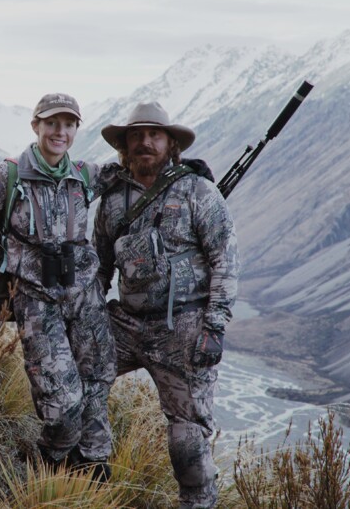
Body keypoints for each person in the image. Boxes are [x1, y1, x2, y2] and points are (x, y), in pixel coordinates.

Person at [0, 93, 118, 479]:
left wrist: (179, 170)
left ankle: (93, 469)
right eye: (51, 123)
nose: (59, 131)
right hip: (35, 301)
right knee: (63, 406)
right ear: (36, 126)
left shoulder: (87, 174)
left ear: (77, 129)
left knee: (97, 387)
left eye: (68, 124)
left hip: (85, 301)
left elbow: (137, 172)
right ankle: (48, 460)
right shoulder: (6, 176)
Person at [92, 102, 239, 508]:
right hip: (125, 323)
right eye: (135, 135)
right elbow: (99, 268)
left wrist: (214, 327)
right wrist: (82, 319)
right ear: (124, 145)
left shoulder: (198, 191)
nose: (145, 142)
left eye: (154, 135)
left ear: (171, 142)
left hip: (184, 328)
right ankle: (87, 480)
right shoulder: (111, 200)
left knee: (187, 443)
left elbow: (225, 261)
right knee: (74, 385)